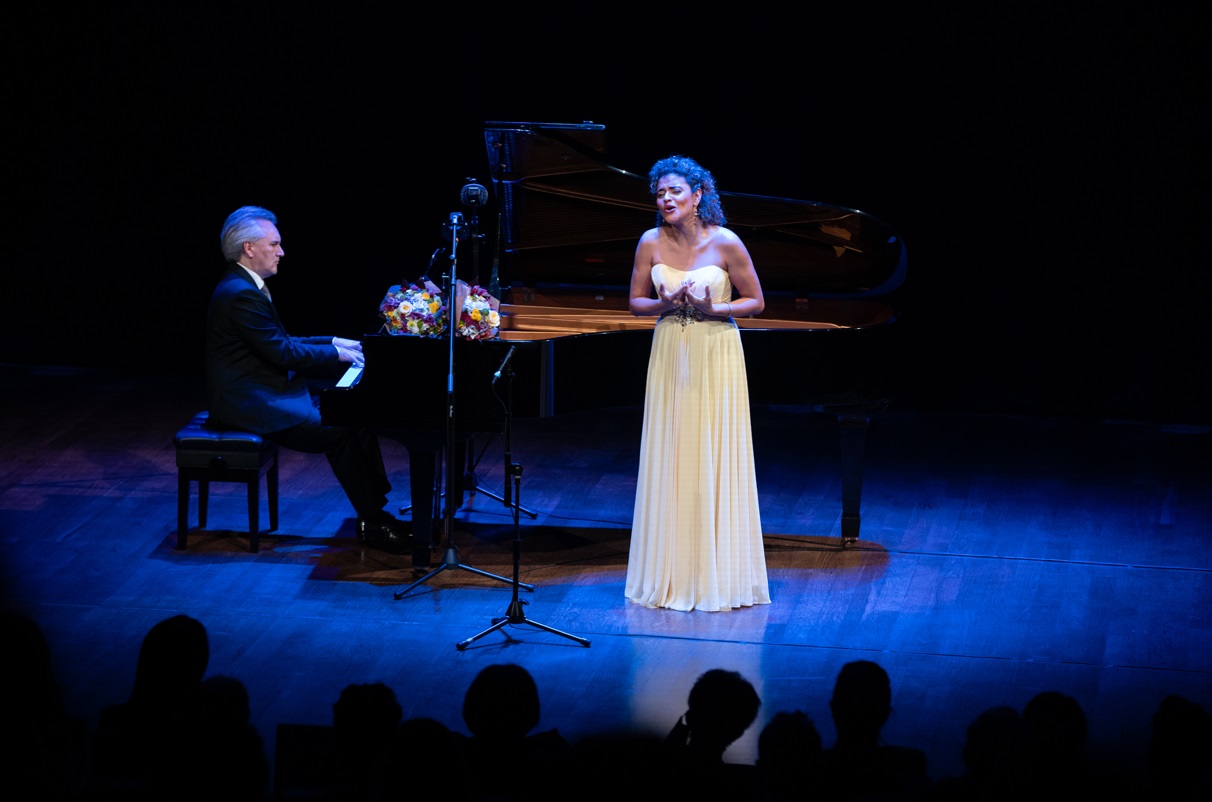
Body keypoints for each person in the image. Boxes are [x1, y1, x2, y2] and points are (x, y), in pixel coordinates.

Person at [207, 205, 408, 553]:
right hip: (250, 401)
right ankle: (373, 521)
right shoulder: (240, 293)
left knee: (354, 413)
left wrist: (331, 342)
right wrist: (336, 355)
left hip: (264, 386)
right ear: (249, 248)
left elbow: (280, 342)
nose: (281, 252)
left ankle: (375, 511)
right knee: (338, 429)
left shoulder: (243, 285)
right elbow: (282, 353)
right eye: (274, 244)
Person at [624, 154, 771, 612]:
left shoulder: (726, 242)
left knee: (714, 450)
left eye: (675, 192)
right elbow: (635, 303)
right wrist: (662, 303)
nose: (665, 199)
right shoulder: (649, 241)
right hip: (670, 350)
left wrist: (717, 310)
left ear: (698, 195)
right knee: (673, 452)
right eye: (660, 193)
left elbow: (757, 302)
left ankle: (717, 575)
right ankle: (670, 574)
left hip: (715, 352)